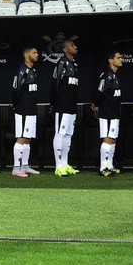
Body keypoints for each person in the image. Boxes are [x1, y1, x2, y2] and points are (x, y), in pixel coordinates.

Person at [51, 39, 80, 177]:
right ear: (64, 49)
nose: (75, 47)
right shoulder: (61, 62)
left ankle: (65, 163)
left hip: (71, 105)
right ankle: (58, 166)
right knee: (60, 134)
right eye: (72, 45)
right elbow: (55, 84)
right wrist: (55, 103)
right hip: (62, 105)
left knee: (68, 135)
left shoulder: (74, 63)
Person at [92, 50, 123, 177]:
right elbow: (99, 92)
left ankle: (110, 165)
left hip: (115, 112)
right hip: (106, 112)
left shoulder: (115, 76)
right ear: (111, 60)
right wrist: (97, 104)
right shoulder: (106, 75)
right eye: (118, 57)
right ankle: (103, 167)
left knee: (113, 139)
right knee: (107, 138)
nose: (121, 59)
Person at [11, 46, 40, 178]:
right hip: (22, 109)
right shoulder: (22, 71)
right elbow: (15, 90)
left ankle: (25, 166)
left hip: (31, 109)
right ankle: (16, 168)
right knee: (21, 138)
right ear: (27, 55)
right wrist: (18, 106)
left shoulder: (33, 70)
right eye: (34, 53)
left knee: (28, 139)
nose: (37, 54)